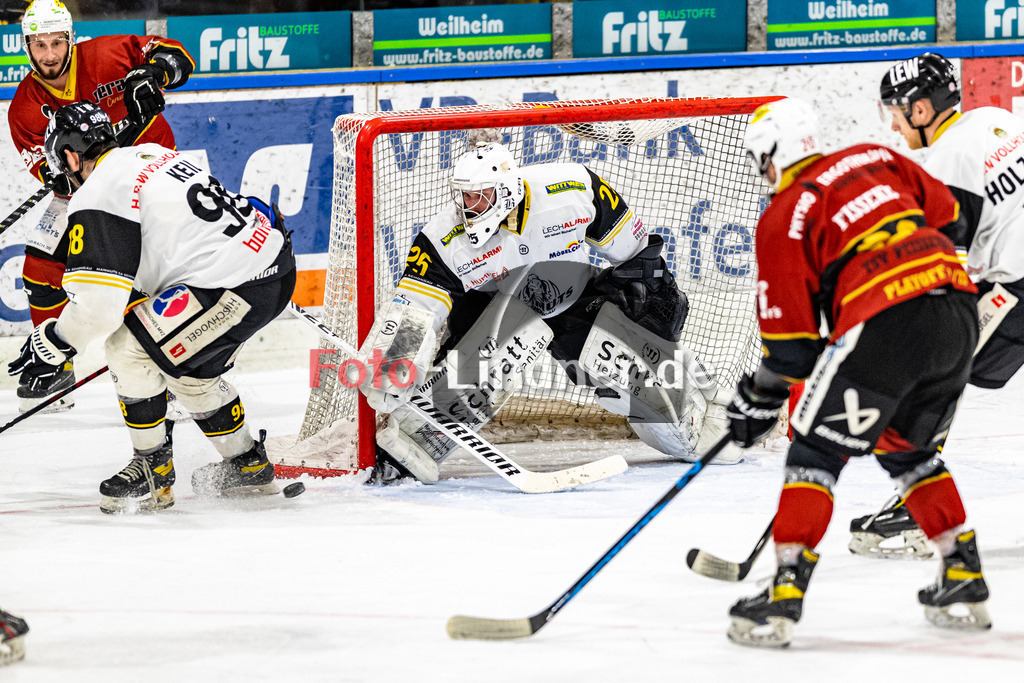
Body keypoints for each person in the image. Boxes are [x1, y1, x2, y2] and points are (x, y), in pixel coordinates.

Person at [723, 97, 990, 648]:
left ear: (774, 154)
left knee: (815, 452)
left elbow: (793, 352)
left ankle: (783, 595)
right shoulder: (874, 156)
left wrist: (757, 398)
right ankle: (963, 577)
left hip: (885, 320)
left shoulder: (783, 214)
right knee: (907, 449)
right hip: (959, 313)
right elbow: (953, 215)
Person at [351, 140, 739, 485]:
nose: (467, 207)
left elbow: (637, 253)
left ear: (505, 191)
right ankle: (416, 440)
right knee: (501, 352)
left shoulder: (571, 189)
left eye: (479, 196)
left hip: (571, 298)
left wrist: (652, 305)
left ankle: (696, 412)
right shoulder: (444, 238)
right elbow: (416, 306)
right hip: (489, 310)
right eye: (463, 197)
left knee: (641, 380)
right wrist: (394, 359)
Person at [7, 101, 296, 514]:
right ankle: (248, 467)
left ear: (70, 155)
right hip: (269, 263)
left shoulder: (97, 194)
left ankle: (151, 469)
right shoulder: (150, 154)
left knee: (127, 348)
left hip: (236, 286)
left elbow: (98, 309)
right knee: (189, 373)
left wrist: (54, 343)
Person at [845, 52, 1024, 558]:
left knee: (933, 377)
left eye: (898, 116)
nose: (897, 129)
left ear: (921, 110)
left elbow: (948, 263)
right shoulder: (996, 120)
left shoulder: (947, 162)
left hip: (1020, 285)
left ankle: (918, 513)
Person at [8, 0, 194, 413]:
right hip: (88, 192)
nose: (50, 54)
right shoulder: (24, 107)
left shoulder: (108, 54)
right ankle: (54, 367)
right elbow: (55, 178)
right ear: (26, 46)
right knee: (39, 268)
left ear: (71, 40)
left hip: (153, 172)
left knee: (155, 274)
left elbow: (177, 54)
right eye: (40, 45)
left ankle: (178, 371)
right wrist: (71, 167)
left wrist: (155, 73)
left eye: (58, 42)